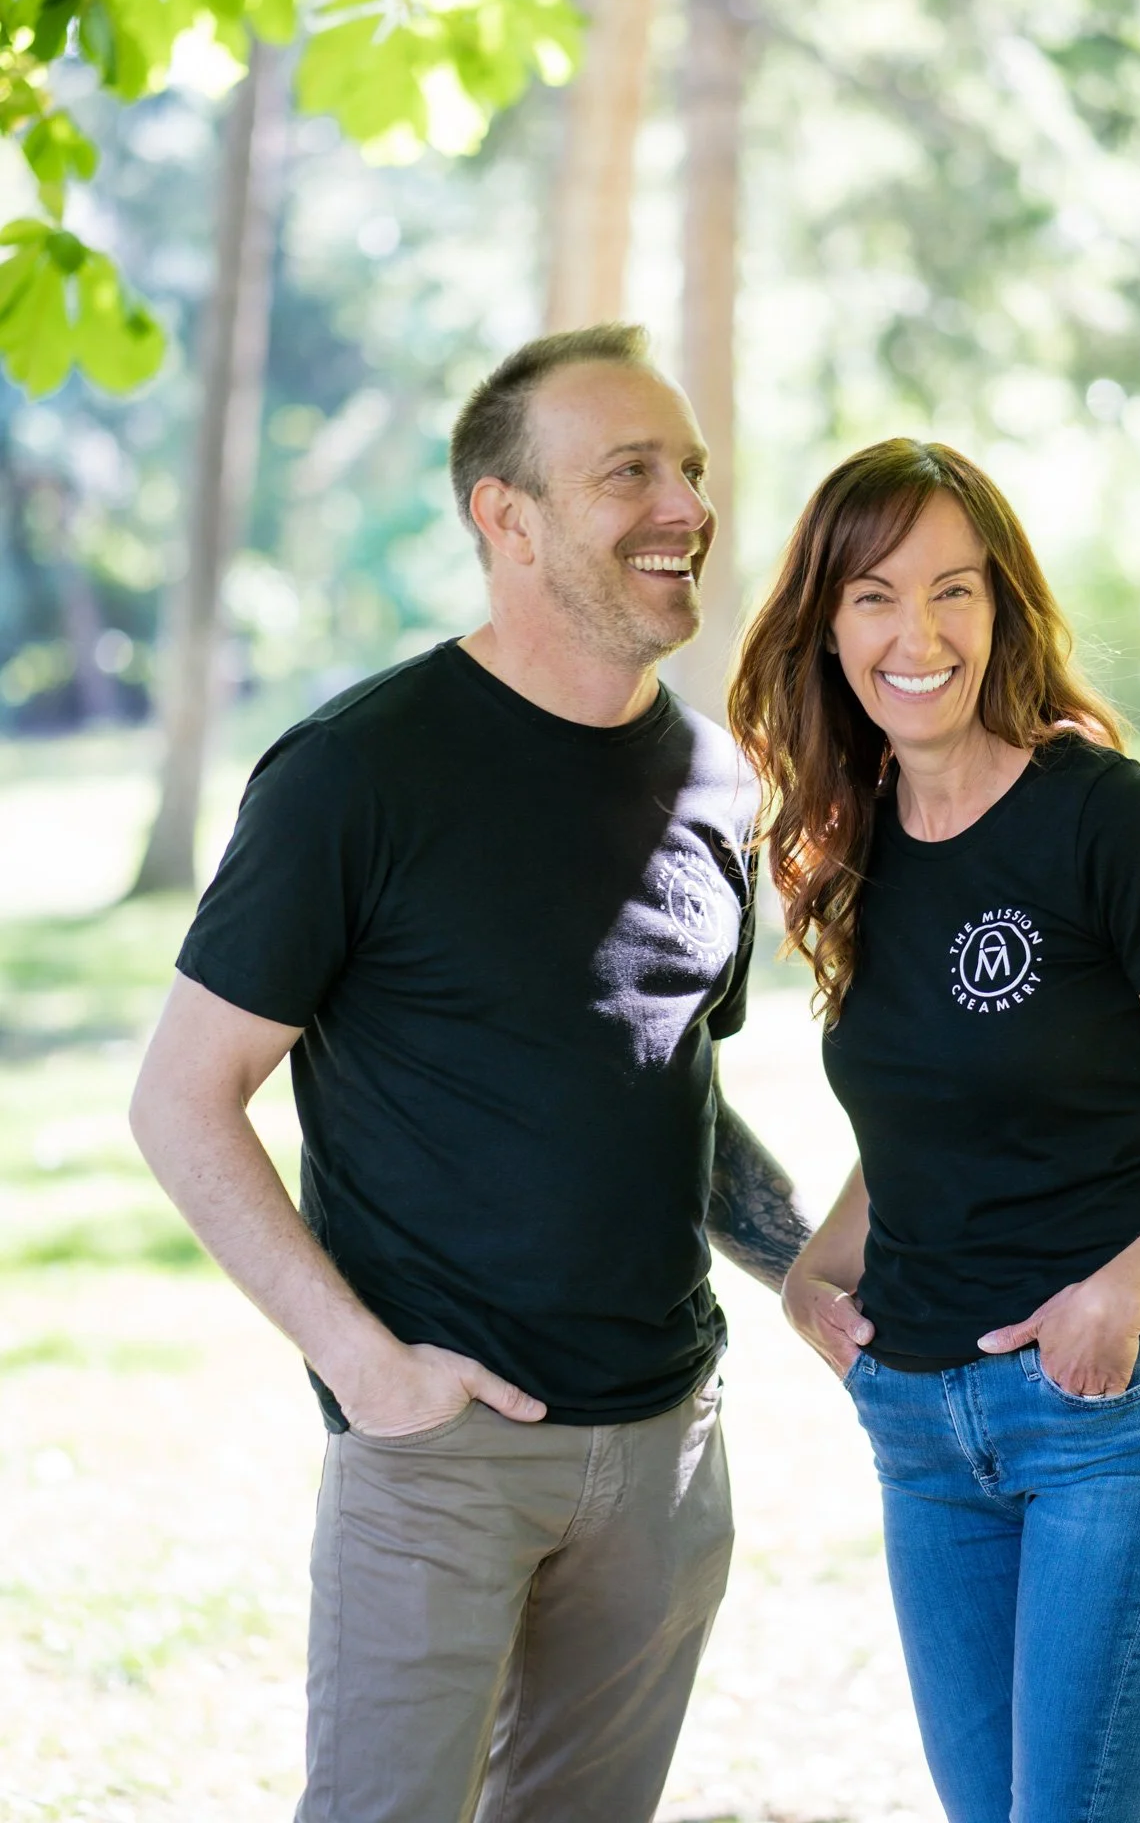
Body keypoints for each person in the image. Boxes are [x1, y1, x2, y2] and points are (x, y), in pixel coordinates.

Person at [129, 323, 809, 1823]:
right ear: (508, 516)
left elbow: (666, 1087)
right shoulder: (355, 774)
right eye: (629, 472)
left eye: (690, 468)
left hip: (667, 1451)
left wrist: (807, 1270)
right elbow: (180, 1097)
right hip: (439, 1455)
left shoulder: (716, 783)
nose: (687, 507)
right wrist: (369, 1370)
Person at [730, 438, 1140, 1823]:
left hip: (1113, 1422)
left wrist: (1114, 1303)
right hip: (922, 1436)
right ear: (826, 627)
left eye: (954, 591)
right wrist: (815, 1270)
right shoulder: (854, 845)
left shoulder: (1107, 825)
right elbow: (929, 1116)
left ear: (1002, 609)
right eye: (875, 597)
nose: (917, 636)